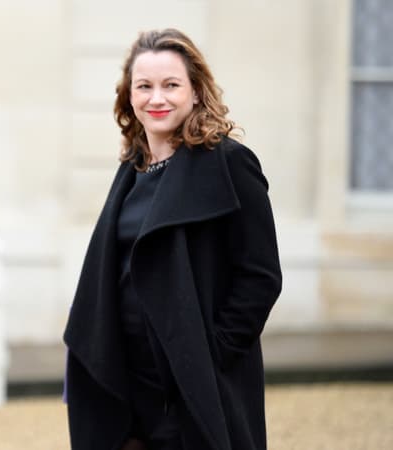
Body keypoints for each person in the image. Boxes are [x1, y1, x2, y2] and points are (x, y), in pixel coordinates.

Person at [63, 28, 282, 450]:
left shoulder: (231, 164)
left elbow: (260, 276)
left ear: (196, 92)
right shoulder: (134, 166)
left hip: (194, 382)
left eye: (171, 85)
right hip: (128, 384)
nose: (156, 98)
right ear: (129, 96)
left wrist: (210, 352)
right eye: (143, 86)